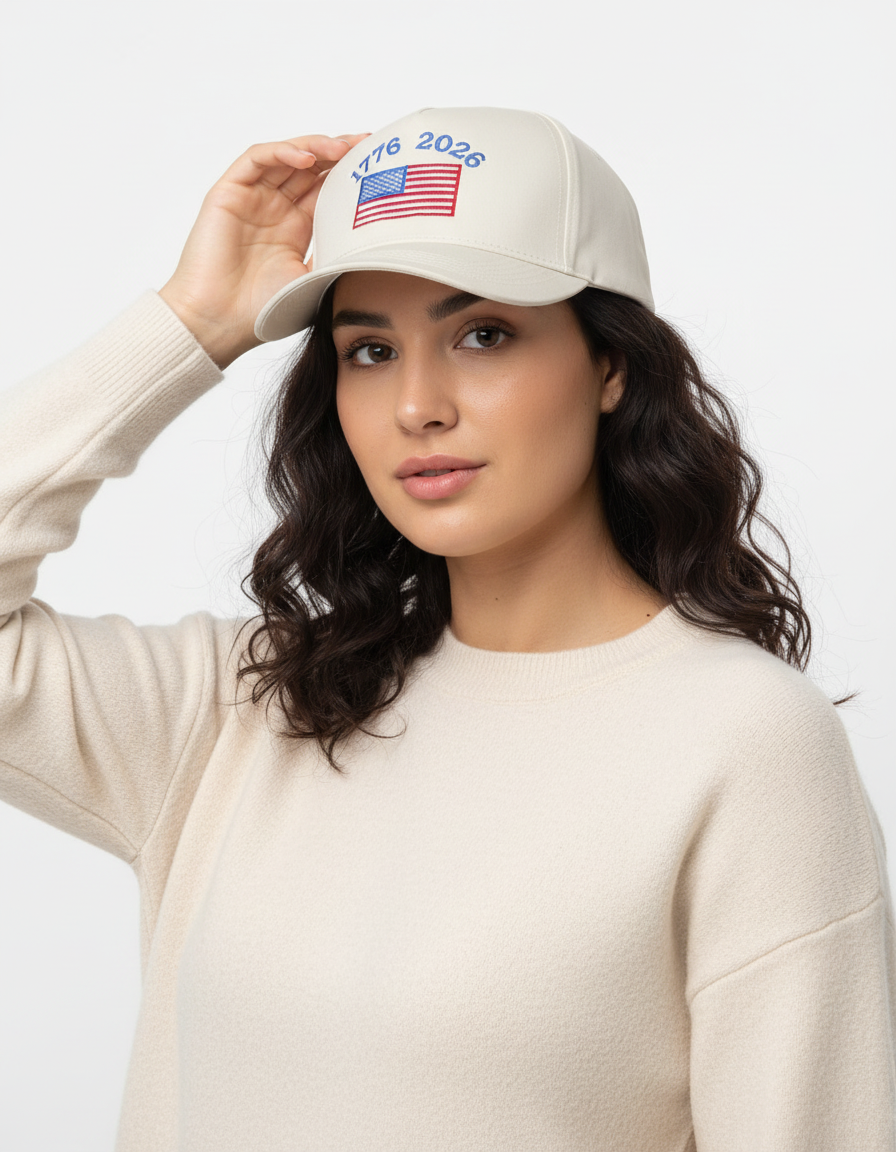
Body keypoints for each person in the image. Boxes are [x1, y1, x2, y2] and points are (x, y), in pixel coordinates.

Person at [1, 106, 893, 1152]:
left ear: (610, 365)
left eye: (482, 335)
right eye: (369, 350)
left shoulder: (742, 745)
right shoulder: (240, 709)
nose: (416, 405)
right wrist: (192, 323)